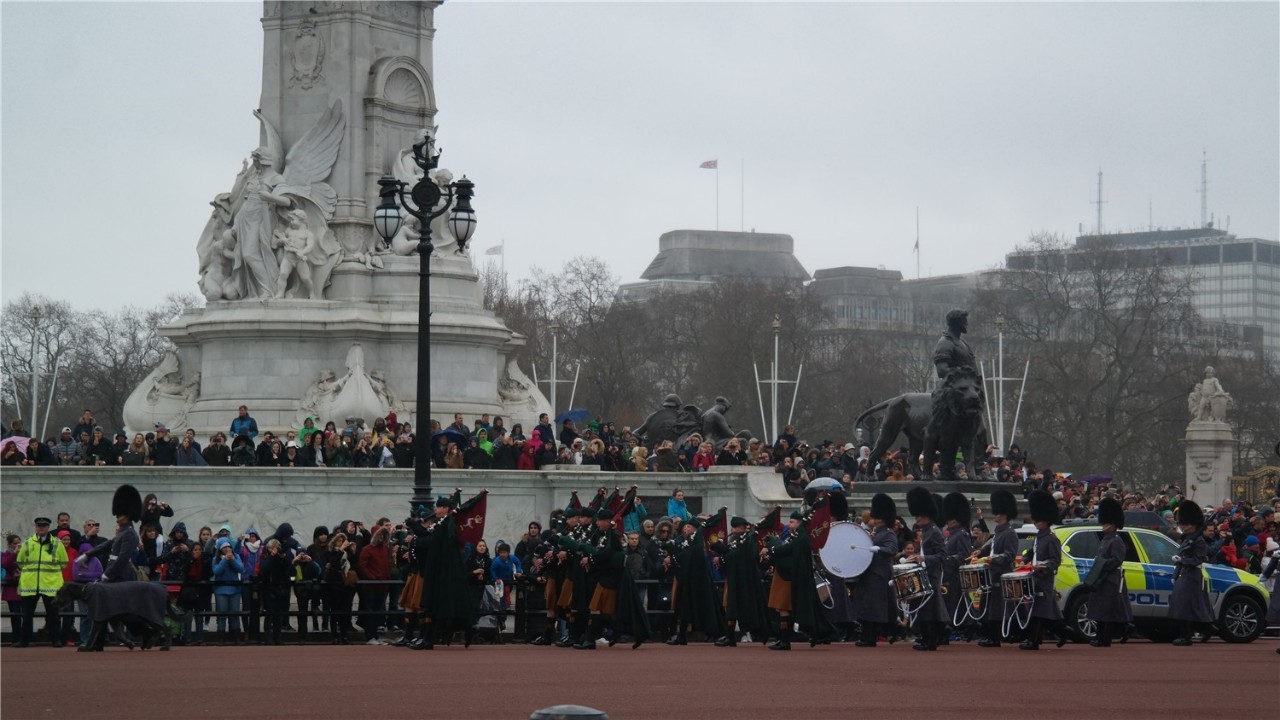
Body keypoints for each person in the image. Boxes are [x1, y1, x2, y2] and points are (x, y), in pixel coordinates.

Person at [1021, 490, 1068, 650]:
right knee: (1043, 611)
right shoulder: (1039, 537)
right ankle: (1063, 632)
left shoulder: (1052, 539)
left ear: (1046, 520)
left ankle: (1033, 641)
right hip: (1035, 577)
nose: (1036, 522)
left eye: (1039, 520)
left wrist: (1043, 567)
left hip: (1044, 578)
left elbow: (1055, 561)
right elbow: (1033, 552)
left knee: (1039, 612)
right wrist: (1026, 559)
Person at [711, 516, 769, 646]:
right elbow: (729, 553)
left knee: (742, 607)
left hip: (746, 579)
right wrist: (716, 546)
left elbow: (739, 555)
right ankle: (730, 636)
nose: (733, 530)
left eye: (735, 528)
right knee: (731, 607)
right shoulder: (737, 541)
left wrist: (723, 555)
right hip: (735, 578)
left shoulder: (748, 539)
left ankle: (749, 633)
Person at [974, 489, 1019, 647]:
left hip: (1001, 574)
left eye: (998, 512)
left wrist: (993, 559)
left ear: (1005, 514)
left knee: (997, 608)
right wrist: (980, 552)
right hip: (992, 574)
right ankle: (990, 635)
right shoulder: (1000, 532)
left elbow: (1009, 556)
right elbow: (991, 546)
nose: (996, 515)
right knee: (988, 605)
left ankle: (995, 637)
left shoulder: (1010, 533)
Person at [905, 487, 948, 651]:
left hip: (932, 575)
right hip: (925, 574)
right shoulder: (927, 530)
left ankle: (930, 641)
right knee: (924, 609)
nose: (916, 520)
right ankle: (927, 638)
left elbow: (942, 555)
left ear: (926, 516)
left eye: (919, 516)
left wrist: (923, 559)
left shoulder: (935, 532)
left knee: (929, 610)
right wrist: (917, 558)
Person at [853, 494, 899, 647]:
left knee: (873, 607)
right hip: (870, 573)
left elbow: (892, 549)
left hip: (879, 574)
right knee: (867, 606)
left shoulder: (888, 533)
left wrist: (878, 549)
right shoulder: (877, 532)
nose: (874, 519)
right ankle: (868, 636)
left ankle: (870, 637)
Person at [1087, 497, 1132, 647]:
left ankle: (1105, 639)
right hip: (1103, 578)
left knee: (1107, 611)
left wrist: (1102, 564)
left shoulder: (1116, 540)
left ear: (1113, 525)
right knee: (1100, 610)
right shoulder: (1106, 539)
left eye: (1106, 523)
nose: (1103, 525)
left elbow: (1116, 560)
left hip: (1111, 579)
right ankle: (1100, 637)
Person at [15, 517, 67, 648]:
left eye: (44, 526)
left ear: (48, 527)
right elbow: (20, 562)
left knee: (53, 614)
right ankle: (24, 640)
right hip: (30, 583)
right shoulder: (27, 543)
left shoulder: (56, 543)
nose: (41, 528)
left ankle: (56, 640)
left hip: (50, 584)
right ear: (36, 527)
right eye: (39, 526)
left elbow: (64, 562)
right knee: (27, 615)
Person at [1170, 500, 1215, 646]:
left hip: (1192, 576)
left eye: (1186, 524)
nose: (1183, 527)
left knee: (1186, 607)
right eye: (1182, 524)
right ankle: (1207, 629)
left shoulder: (1199, 540)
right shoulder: (1188, 539)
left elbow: (1198, 559)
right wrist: (1175, 574)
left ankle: (1186, 636)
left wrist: (1182, 560)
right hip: (1184, 575)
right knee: (1188, 606)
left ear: (1194, 524)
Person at [941, 493, 974, 640]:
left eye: (952, 518)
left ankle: (961, 628)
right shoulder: (951, 534)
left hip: (955, 576)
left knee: (957, 605)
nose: (949, 521)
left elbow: (964, 556)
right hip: (948, 575)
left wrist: (947, 560)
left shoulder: (961, 534)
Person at [359, 527, 393, 645]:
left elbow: (388, 565)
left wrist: (387, 578)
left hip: (383, 585)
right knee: (370, 612)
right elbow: (363, 566)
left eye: (383, 536)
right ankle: (370, 636)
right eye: (379, 535)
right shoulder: (367, 550)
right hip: (370, 586)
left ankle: (376, 636)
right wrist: (373, 578)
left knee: (378, 612)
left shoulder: (386, 549)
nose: (381, 538)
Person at [257, 538, 292, 646]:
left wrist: (284, 558)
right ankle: (268, 638)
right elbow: (264, 569)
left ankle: (278, 638)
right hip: (269, 589)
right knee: (269, 615)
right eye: (273, 548)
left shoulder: (281, 557)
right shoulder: (265, 556)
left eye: (277, 548)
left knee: (279, 615)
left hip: (281, 589)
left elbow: (291, 569)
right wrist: (272, 556)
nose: (275, 550)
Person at [3, 534, 25, 647]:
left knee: (24, 614)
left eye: (19, 543)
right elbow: (5, 564)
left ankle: (24, 637)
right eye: (15, 543)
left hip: (23, 588)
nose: (17, 545)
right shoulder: (7, 554)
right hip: (12, 589)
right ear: (10, 544)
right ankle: (15, 638)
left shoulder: (23, 554)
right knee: (15, 615)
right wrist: (15, 553)